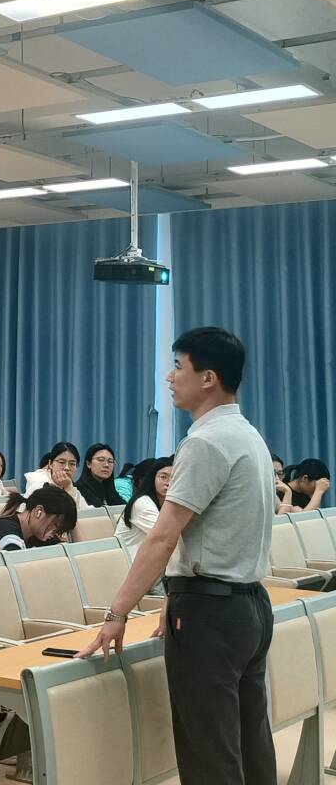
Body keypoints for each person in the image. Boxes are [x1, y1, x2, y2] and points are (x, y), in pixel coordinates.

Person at [78, 327, 277, 785]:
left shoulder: (205, 442)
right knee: (250, 743)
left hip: (211, 614)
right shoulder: (248, 436)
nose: (169, 378)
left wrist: (116, 613)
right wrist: (176, 590)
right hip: (248, 604)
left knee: (209, 753)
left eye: (177, 367)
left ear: (208, 378)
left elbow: (162, 538)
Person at [0, 486, 79, 550]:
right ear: (38, 511)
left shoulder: (41, 536)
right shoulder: (4, 530)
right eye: (55, 525)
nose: (56, 533)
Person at [115, 458, 173, 553]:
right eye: (163, 477)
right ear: (152, 479)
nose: (169, 483)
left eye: (174, 478)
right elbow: (165, 536)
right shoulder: (142, 503)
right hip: (128, 558)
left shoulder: (166, 502)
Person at [24, 442, 89, 509]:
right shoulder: (40, 486)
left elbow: (88, 512)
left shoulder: (71, 487)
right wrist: (68, 489)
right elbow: (64, 514)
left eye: (72, 464)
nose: (67, 468)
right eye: (61, 462)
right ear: (50, 464)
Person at [77, 443, 125, 507]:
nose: (106, 465)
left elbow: (124, 508)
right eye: (101, 460)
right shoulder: (79, 489)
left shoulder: (108, 487)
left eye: (110, 461)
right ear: (88, 464)